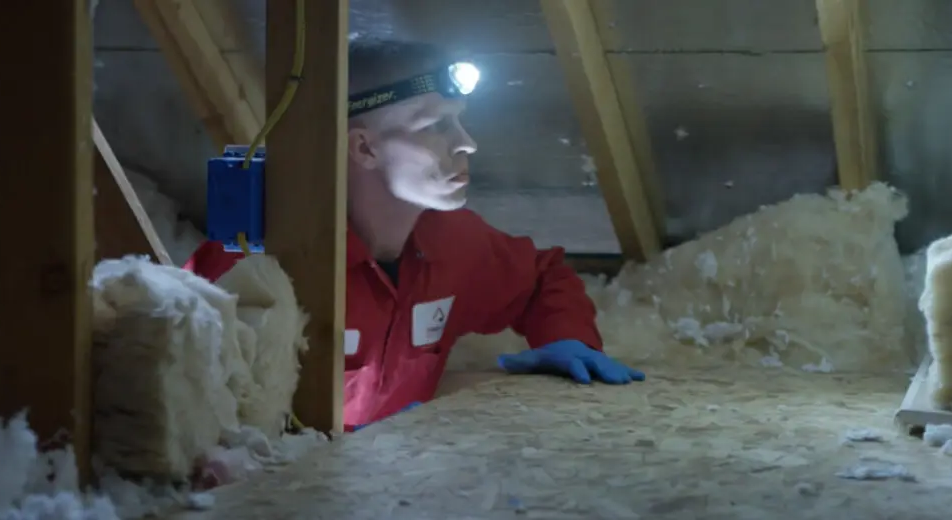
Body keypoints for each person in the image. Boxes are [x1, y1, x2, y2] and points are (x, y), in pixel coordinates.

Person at [184, 38, 645, 431]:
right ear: (364, 147)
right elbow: (190, 394)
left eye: (459, 120)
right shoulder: (259, 263)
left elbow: (543, 277)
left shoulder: (453, 242)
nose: (467, 143)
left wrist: (566, 336)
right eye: (436, 126)